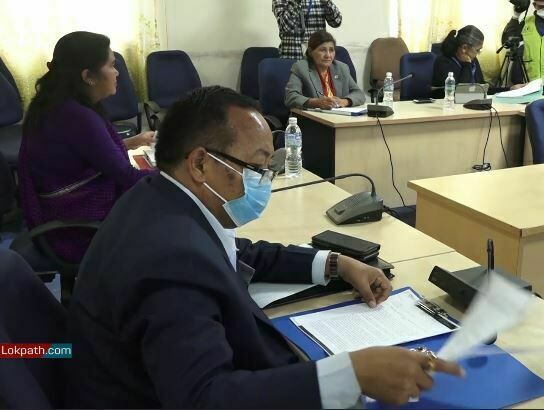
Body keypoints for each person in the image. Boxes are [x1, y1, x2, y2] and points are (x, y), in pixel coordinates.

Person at [66, 86, 464, 408]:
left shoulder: (160, 198)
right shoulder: (170, 260)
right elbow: (205, 398)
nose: (264, 180)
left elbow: (236, 253)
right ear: (200, 164)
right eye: (256, 168)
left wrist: (336, 264)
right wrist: (351, 375)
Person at [18, 31, 155, 263]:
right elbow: (128, 177)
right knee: (165, 220)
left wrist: (132, 142)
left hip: (60, 214)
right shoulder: (77, 116)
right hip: (78, 230)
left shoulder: (60, 104)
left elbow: (82, 153)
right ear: (88, 76)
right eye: (111, 65)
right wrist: (177, 173)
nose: (117, 72)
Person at [285, 31, 365, 109]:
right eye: (323, 50)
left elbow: (359, 94)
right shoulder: (301, 68)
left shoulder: (341, 68)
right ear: (310, 51)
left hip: (338, 116)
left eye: (331, 50)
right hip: (310, 116)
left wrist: (344, 101)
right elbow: (290, 97)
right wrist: (316, 103)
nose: (328, 55)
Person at [272, 0, 342, 60]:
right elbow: (285, 27)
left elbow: (336, 22)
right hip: (292, 57)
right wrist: (296, 2)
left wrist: (326, 1)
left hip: (318, 59)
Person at [432, 25, 486, 99]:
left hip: (472, 103)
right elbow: (458, 94)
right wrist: (466, 66)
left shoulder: (473, 60)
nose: (478, 53)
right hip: (448, 104)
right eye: (477, 50)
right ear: (464, 48)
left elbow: (481, 86)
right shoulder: (443, 62)